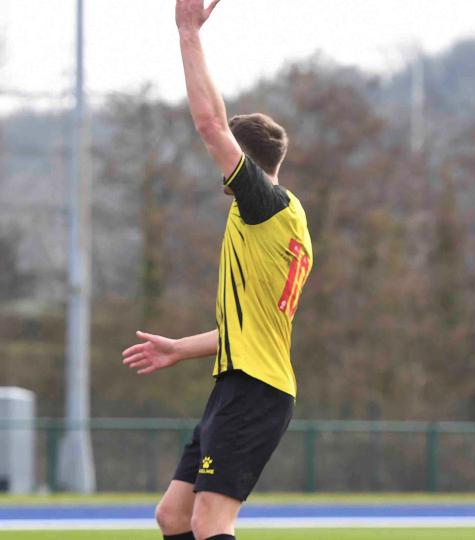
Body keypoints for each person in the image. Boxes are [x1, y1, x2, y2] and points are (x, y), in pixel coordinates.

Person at [121, 1, 313, 539]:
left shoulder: (264, 207)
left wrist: (188, 34)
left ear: (243, 161)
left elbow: (210, 122)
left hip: (255, 391)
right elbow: (248, 329)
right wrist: (180, 348)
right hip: (241, 383)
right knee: (174, 516)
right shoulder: (282, 219)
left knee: (210, 521)